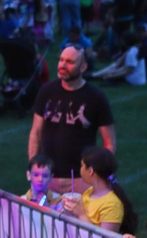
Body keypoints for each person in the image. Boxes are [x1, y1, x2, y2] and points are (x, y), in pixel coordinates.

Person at [28, 46, 116, 194]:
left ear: (83, 67)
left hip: (82, 179)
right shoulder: (47, 91)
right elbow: (35, 132)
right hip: (48, 176)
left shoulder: (96, 97)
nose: (62, 65)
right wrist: (35, 167)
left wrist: (100, 174)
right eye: (61, 60)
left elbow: (109, 143)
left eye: (70, 62)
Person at [60, 146, 137, 234]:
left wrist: (81, 215)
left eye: (82, 166)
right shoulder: (90, 192)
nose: (80, 169)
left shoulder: (111, 205)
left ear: (90, 171)